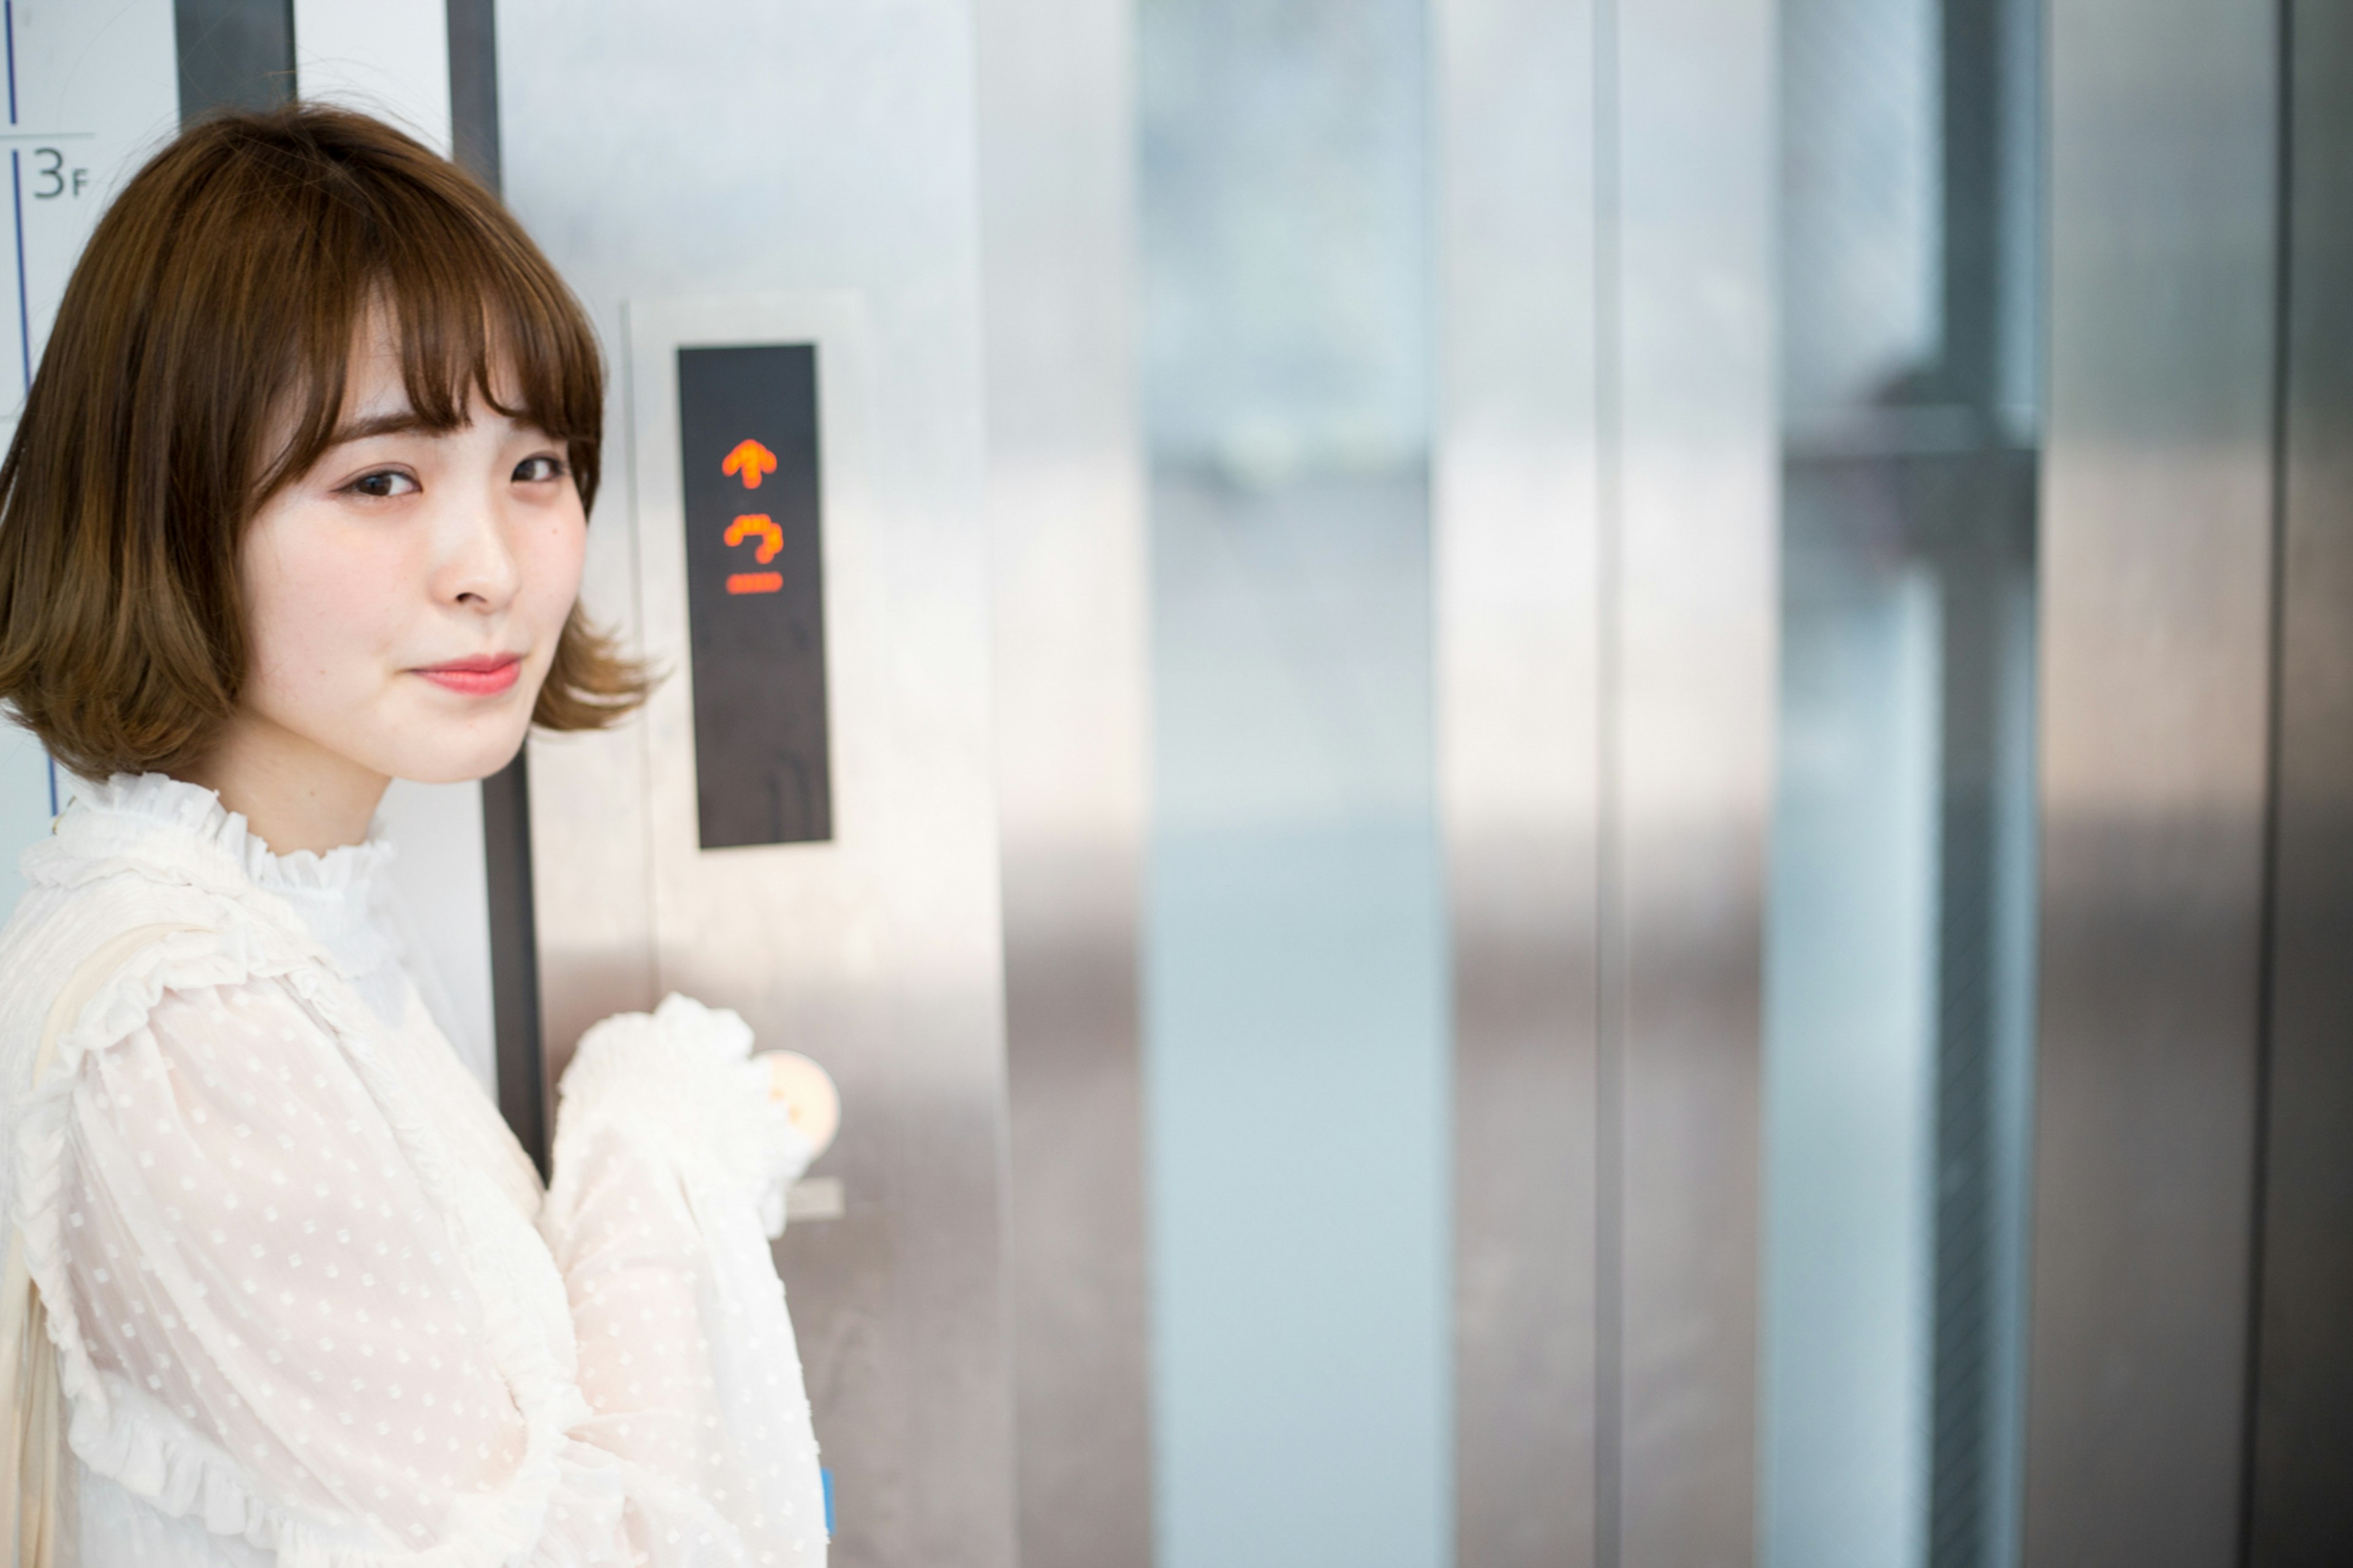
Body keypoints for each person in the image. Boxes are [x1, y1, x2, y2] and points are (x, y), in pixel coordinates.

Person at [0, 104, 831, 1564]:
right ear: (169, 510)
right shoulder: (189, 1020)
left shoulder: (295, 926)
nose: (493, 566)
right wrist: (651, 1143)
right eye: (381, 479)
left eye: (537, 465)